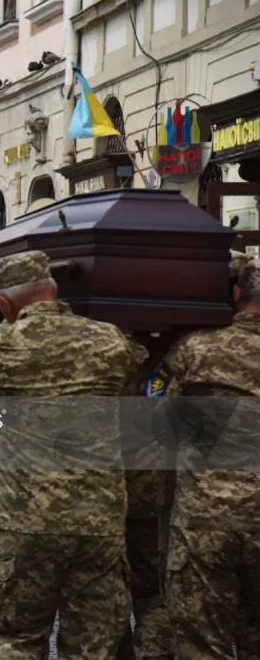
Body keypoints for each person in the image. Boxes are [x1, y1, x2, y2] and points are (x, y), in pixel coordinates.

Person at [0, 251, 141, 658]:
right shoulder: (110, 340)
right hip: (99, 520)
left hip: (24, 522)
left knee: (15, 640)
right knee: (94, 647)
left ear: (5, 304)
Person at [146, 257, 260, 659]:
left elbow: (158, 419)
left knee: (202, 645)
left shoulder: (196, 348)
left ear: (235, 294)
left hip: (206, 519)